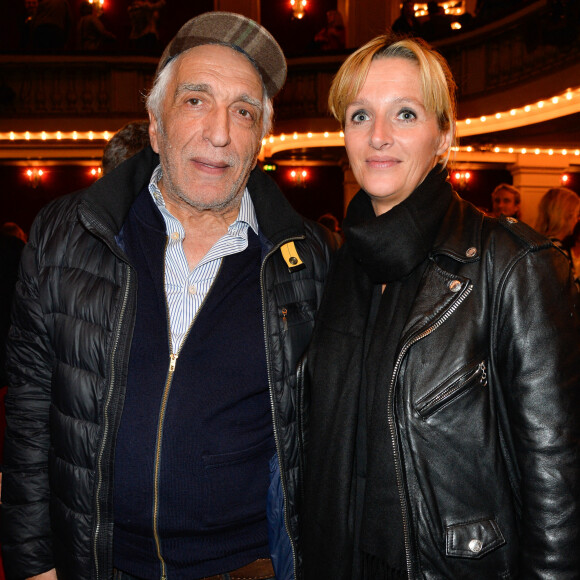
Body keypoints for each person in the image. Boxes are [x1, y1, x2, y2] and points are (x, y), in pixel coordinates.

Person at [1, 11, 334, 580]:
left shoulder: (312, 262)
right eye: (196, 101)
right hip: (98, 565)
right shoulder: (67, 236)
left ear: (260, 140)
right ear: (155, 126)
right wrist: (33, 563)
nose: (221, 132)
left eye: (244, 112)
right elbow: (31, 417)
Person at [302, 33, 580, 579]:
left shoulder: (512, 264)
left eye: (404, 114)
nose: (378, 137)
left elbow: (558, 476)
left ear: (444, 135)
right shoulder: (338, 266)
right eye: (360, 116)